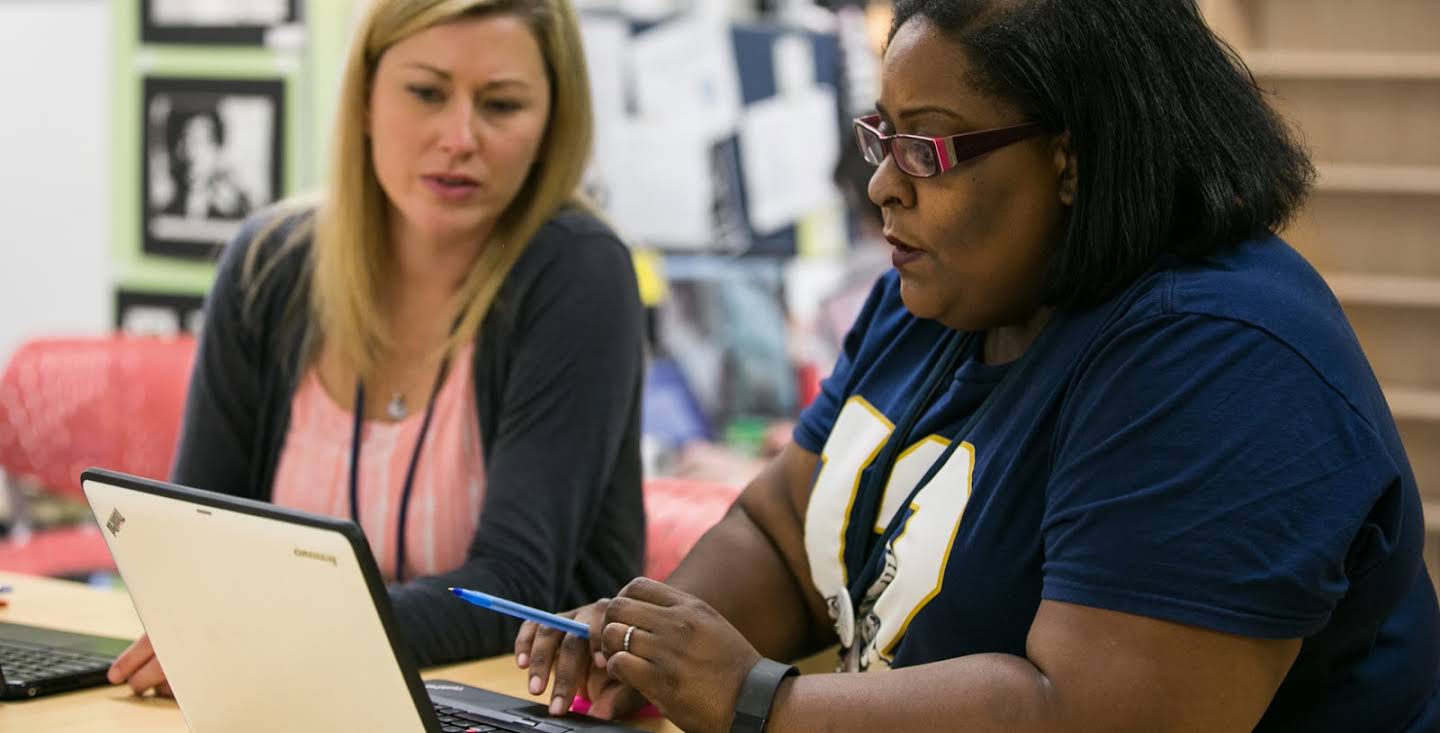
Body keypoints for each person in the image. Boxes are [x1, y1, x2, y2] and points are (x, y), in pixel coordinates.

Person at [516, 1, 1440, 730]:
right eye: (882, 136)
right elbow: (782, 529)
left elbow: (1088, 715)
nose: (883, 183)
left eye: (926, 147)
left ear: (1073, 158)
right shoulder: (939, 289)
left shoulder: (1223, 356)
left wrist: (758, 701)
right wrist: (650, 638)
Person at [110, 0, 646, 697]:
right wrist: (237, 631)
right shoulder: (268, 265)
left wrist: (273, 630)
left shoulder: (580, 272)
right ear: (364, 98)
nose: (460, 138)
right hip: (286, 692)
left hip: (509, 705)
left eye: (501, 105)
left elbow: (513, 590)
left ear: (552, 124)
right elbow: (192, 540)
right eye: (425, 92)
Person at [159, 105, 252, 220]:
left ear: (218, 149)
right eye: (183, 140)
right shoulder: (164, 208)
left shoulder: (233, 210)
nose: (189, 152)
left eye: (198, 142)